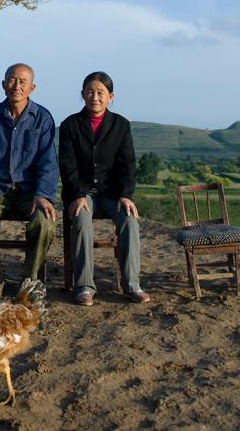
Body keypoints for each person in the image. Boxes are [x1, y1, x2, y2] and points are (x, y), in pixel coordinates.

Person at [59, 71, 150, 305]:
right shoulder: (70, 125)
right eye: (90, 92)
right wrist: (78, 195)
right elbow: (67, 167)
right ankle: (85, 286)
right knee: (81, 219)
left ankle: (132, 285)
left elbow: (127, 165)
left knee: (129, 220)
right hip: (81, 191)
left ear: (111, 96)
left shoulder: (120, 125)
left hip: (112, 193)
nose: (95, 97)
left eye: (100, 92)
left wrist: (126, 195)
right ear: (82, 95)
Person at [0, 63, 59, 299]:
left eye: (22, 81)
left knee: (45, 222)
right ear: (3, 84)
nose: (16, 86)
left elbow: (48, 162)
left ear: (32, 88)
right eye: (11, 80)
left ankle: (30, 280)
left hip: (31, 190)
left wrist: (42, 195)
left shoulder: (43, 118)